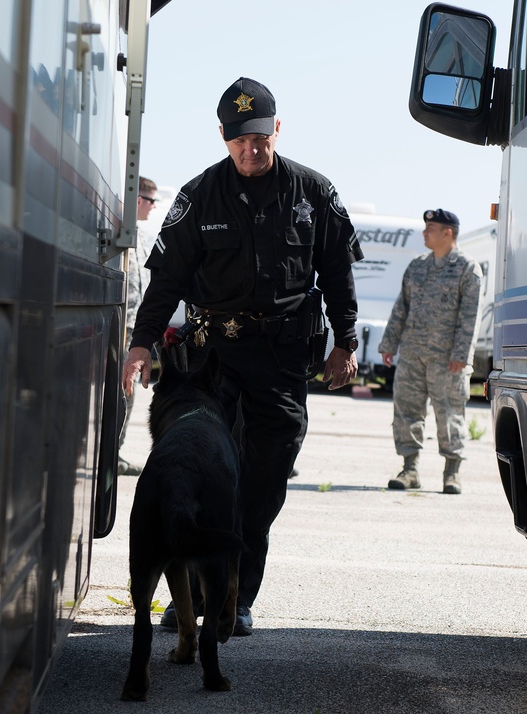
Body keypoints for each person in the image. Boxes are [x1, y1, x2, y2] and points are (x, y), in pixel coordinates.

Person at [122, 77, 363, 635]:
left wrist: (345, 342)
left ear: (276, 129)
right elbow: (167, 281)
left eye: (259, 138)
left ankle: (236, 596)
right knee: (200, 470)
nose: (250, 150)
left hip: (280, 361)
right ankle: (191, 597)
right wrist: (142, 342)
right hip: (211, 363)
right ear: (224, 138)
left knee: (263, 480)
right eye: (238, 141)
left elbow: (338, 275)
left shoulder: (314, 193)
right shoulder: (199, 195)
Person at [378, 209, 483, 495]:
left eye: (431, 228)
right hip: (412, 354)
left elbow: (469, 316)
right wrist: (389, 343)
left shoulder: (467, 267)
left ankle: (452, 473)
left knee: (449, 412)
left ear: (447, 233)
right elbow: (402, 307)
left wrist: (461, 353)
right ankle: (409, 469)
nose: (425, 232)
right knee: (407, 411)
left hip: (447, 358)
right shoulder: (417, 266)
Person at [118, 177, 160, 476]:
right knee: (120, 395)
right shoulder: (120, 231)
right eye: (149, 200)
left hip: (134, 330)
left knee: (126, 396)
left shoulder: (140, 235)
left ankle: (114, 451)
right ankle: (108, 452)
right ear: (136, 200)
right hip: (121, 329)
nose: (153, 206)